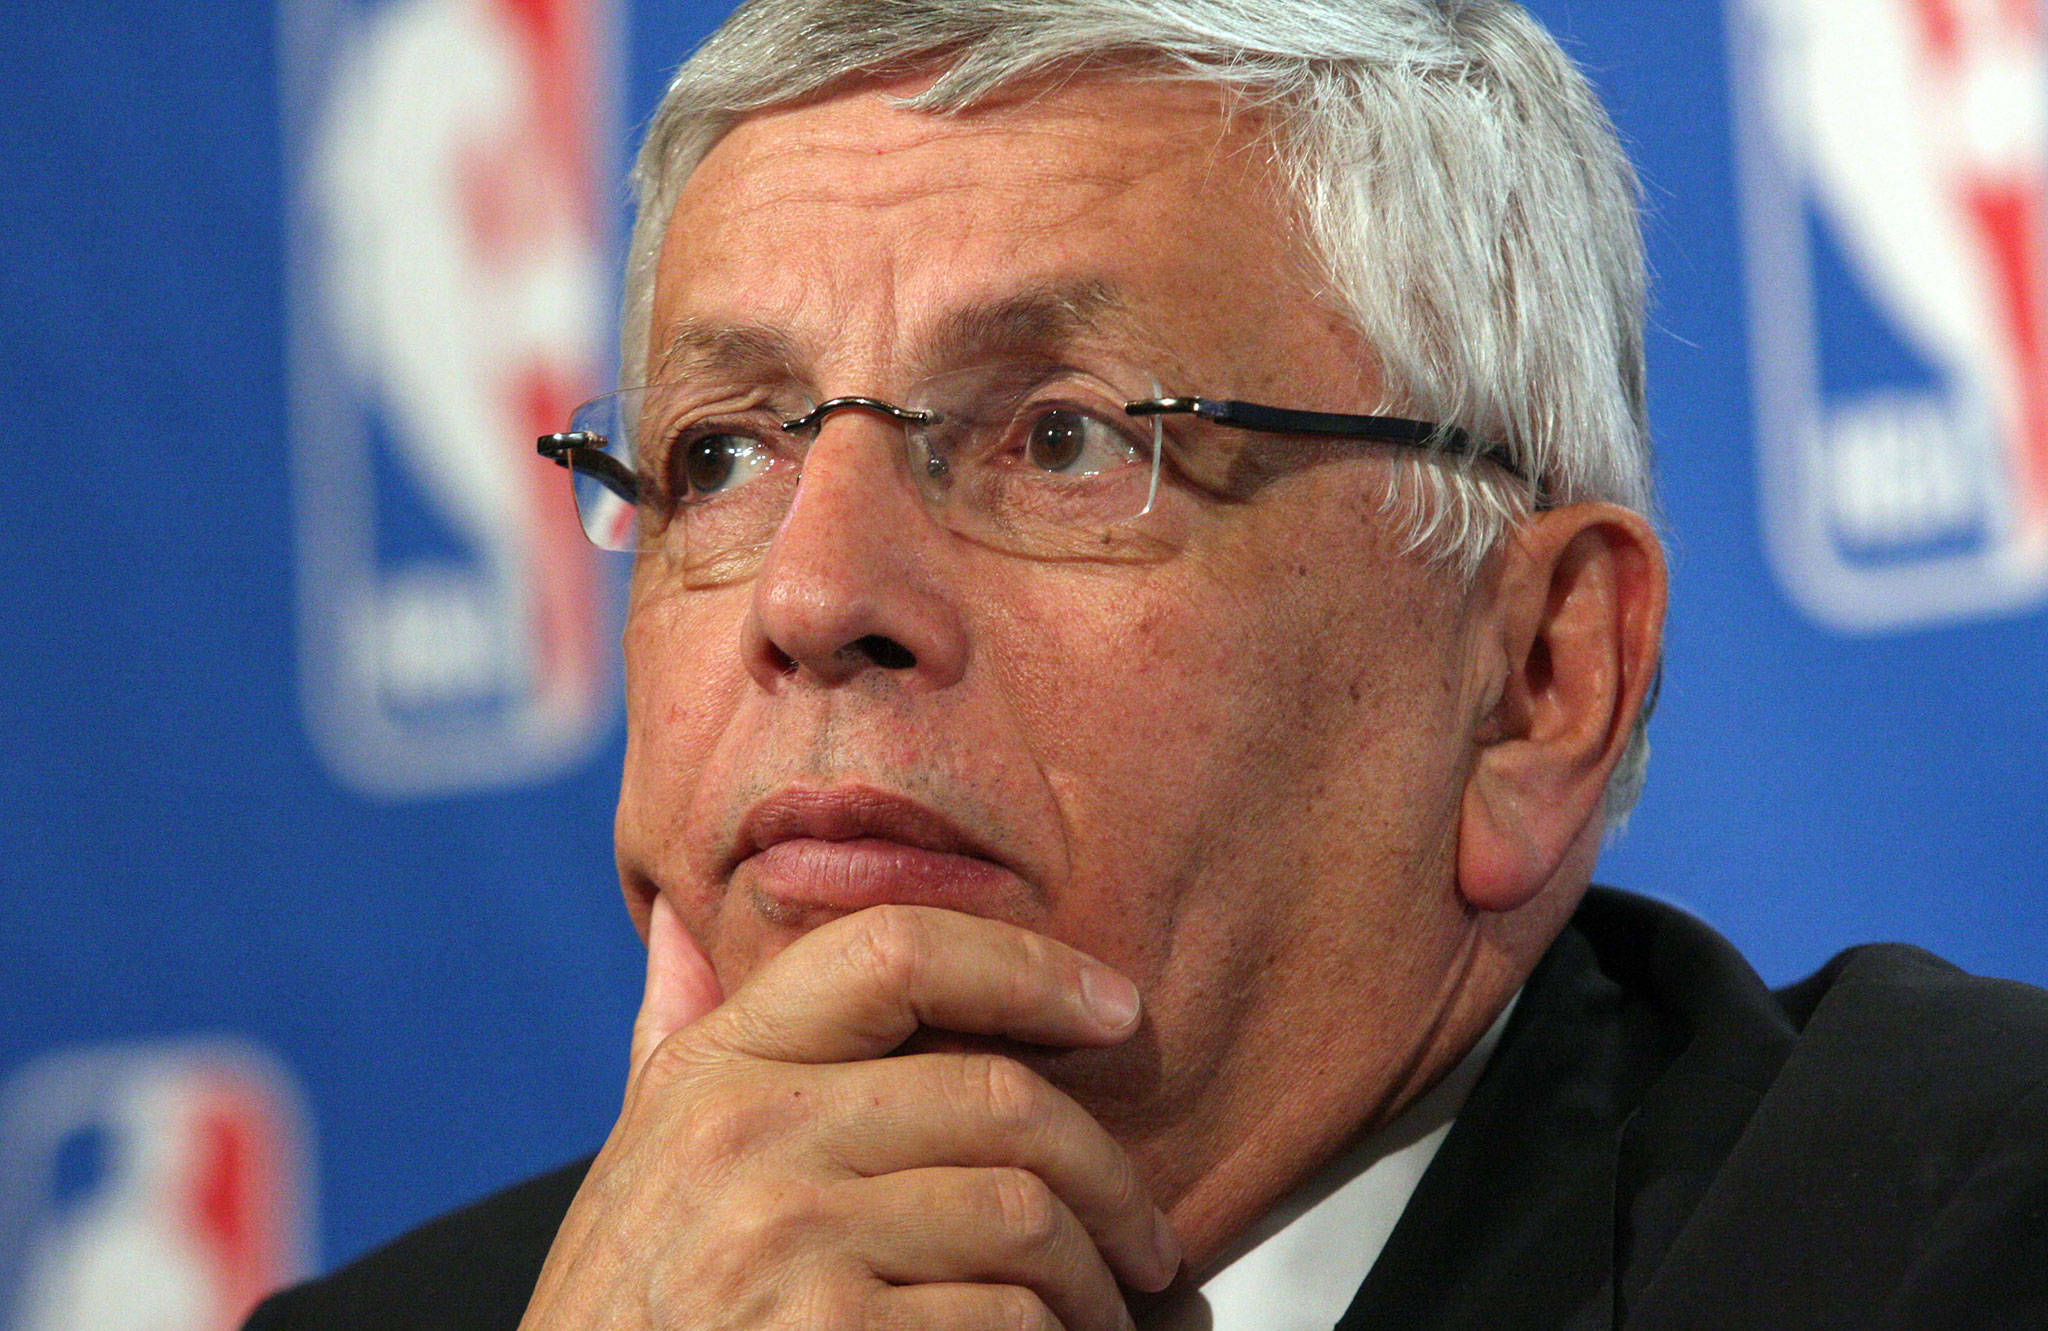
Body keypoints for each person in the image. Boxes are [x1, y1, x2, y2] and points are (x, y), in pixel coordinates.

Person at [248, 1, 2048, 1327]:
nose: (816, 596)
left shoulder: (1960, 1238)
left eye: (1063, 439)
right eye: (722, 452)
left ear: (1535, 684)